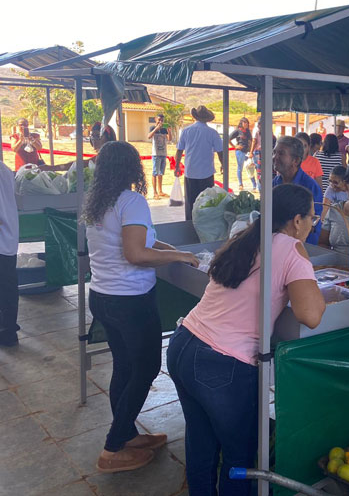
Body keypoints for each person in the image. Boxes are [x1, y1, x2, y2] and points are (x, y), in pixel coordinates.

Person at [168, 183, 325, 496]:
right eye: (311, 218)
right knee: (239, 459)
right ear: (296, 221)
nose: (312, 225)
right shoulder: (291, 249)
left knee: (201, 443)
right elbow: (311, 314)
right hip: (221, 364)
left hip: (184, 344)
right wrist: (303, 257)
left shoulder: (247, 237)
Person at [82, 141, 198, 473]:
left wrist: (170, 247)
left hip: (103, 297)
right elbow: (135, 254)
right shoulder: (131, 200)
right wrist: (177, 257)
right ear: (132, 167)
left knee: (124, 367)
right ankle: (113, 447)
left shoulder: (100, 202)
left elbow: (139, 241)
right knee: (145, 368)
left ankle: (128, 432)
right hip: (129, 301)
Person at [175, 106, 224, 221]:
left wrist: (177, 166)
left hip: (190, 172)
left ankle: (190, 224)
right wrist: (223, 165)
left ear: (195, 117)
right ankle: (204, 223)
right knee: (206, 202)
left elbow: (179, 150)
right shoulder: (212, 133)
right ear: (207, 119)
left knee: (190, 202)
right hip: (206, 173)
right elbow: (220, 152)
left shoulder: (186, 131)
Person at [272, 136, 323, 245]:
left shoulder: (310, 187)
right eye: (274, 152)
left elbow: (314, 225)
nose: (275, 157)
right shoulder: (274, 183)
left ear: (295, 160)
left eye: (281, 153)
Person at [0, 162, 20, 347]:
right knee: (8, 287)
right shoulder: (4, 170)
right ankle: (8, 330)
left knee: (5, 289)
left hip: (2, 237)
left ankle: (7, 331)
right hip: (8, 237)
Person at [148, 114, 171, 199]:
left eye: (162, 120)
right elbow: (149, 136)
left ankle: (160, 191)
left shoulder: (164, 130)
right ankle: (155, 192)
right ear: (155, 119)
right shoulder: (152, 128)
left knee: (161, 173)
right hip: (156, 154)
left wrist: (169, 131)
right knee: (155, 173)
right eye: (159, 120)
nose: (160, 122)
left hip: (163, 153)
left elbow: (170, 139)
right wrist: (156, 129)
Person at [229, 117, 255, 191]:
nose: (246, 124)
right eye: (244, 122)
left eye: (247, 122)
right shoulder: (237, 131)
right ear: (241, 123)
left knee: (250, 167)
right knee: (240, 168)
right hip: (240, 152)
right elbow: (228, 139)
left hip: (247, 152)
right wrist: (235, 146)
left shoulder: (248, 131)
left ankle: (254, 184)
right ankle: (240, 184)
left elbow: (251, 141)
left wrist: (251, 152)